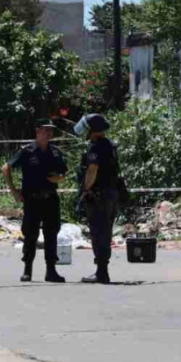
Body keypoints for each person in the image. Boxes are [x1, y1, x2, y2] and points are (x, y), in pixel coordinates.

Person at [3, 119, 68, 283]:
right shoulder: (27, 151)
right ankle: (27, 270)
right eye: (46, 130)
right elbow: (6, 168)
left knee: (51, 234)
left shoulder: (55, 152)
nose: (49, 133)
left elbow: (63, 174)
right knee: (30, 235)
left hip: (51, 199)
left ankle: (51, 271)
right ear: (37, 131)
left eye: (51, 130)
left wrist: (58, 178)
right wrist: (14, 191)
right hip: (32, 199)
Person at [76, 113, 119, 284]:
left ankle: (101, 273)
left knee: (98, 232)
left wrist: (85, 189)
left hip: (99, 196)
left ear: (93, 130)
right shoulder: (109, 144)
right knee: (105, 232)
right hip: (110, 195)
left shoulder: (95, 147)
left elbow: (92, 169)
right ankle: (102, 271)